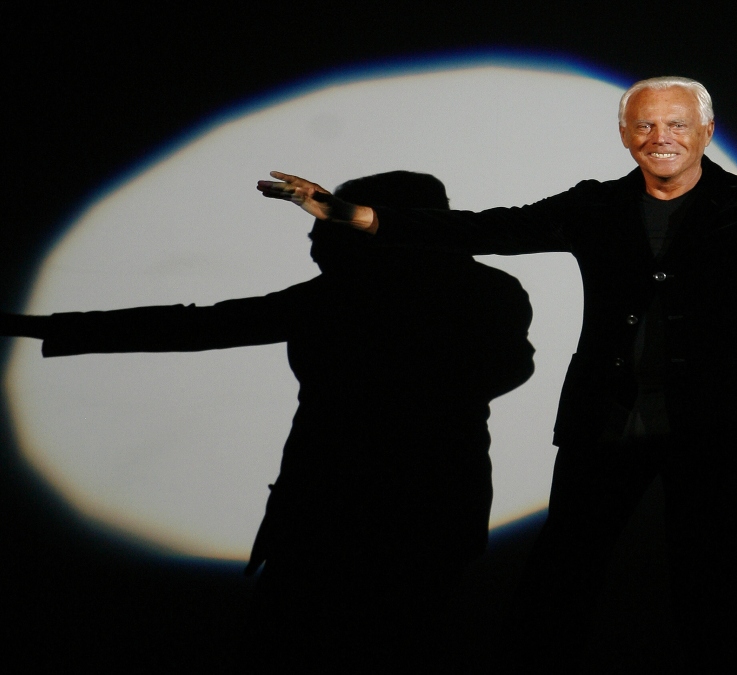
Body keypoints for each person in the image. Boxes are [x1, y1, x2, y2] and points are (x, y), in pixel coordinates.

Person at [255, 76, 737, 671]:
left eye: (673, 124)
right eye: (643, 126)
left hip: (709, 419)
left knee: (710, 576)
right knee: (564, 567)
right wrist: (360, 216)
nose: (658, 137)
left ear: (703, 129)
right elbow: (485, 228)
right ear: (625, 134)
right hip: (608, 413)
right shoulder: (593, 206)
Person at [1, 171, 536, 673]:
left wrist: (33, 326)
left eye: (325, 224)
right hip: (431, 509)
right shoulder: (484, 291)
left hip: (332, 509)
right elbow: (512, 366)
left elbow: (197, 325)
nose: (312, 241)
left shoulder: (348, 295)